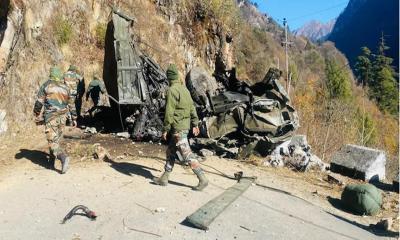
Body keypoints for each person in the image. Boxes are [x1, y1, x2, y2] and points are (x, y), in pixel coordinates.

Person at [153, 64, 208, 191]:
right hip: (184, 127)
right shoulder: (185, 90)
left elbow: (169, 112)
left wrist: (165, 129)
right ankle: (165, 177)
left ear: (169, 78)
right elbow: (192, 108)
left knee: (187, 154)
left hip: (177, 129)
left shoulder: (171, 91)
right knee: (171, 151)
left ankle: (202, 178)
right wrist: (195, 123)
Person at [33, 66, 75, 174]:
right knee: (55, 140)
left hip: (51, 117)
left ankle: (63, 157)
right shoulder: (65, 87)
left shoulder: (47, 85)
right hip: (63, 118)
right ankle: (51, 163)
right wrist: (74, 118)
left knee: (52, 142)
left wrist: (37, 114)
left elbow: (39, 102)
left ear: (51, 74)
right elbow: (71, 104)